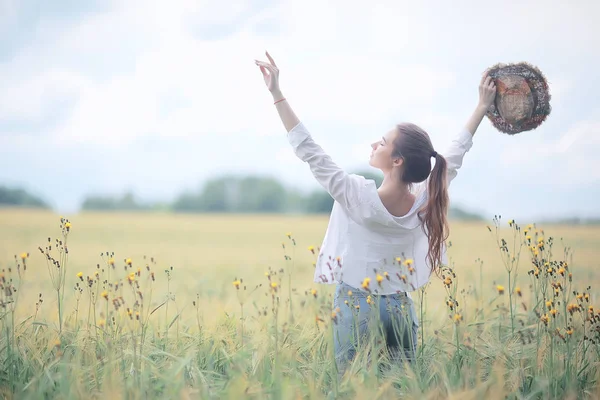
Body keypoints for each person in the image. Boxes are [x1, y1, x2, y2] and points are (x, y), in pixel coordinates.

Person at [255, 51, 496, 377]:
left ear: (397, 160)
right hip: (399, 308)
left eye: (382, 143)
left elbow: (308, 149)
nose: (374, 144)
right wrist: (481, 108)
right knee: (401, 390)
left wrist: (276, 93)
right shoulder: (426, 200)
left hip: (356, 306)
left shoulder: (356, 195)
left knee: (353, 388)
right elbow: (453, 154)